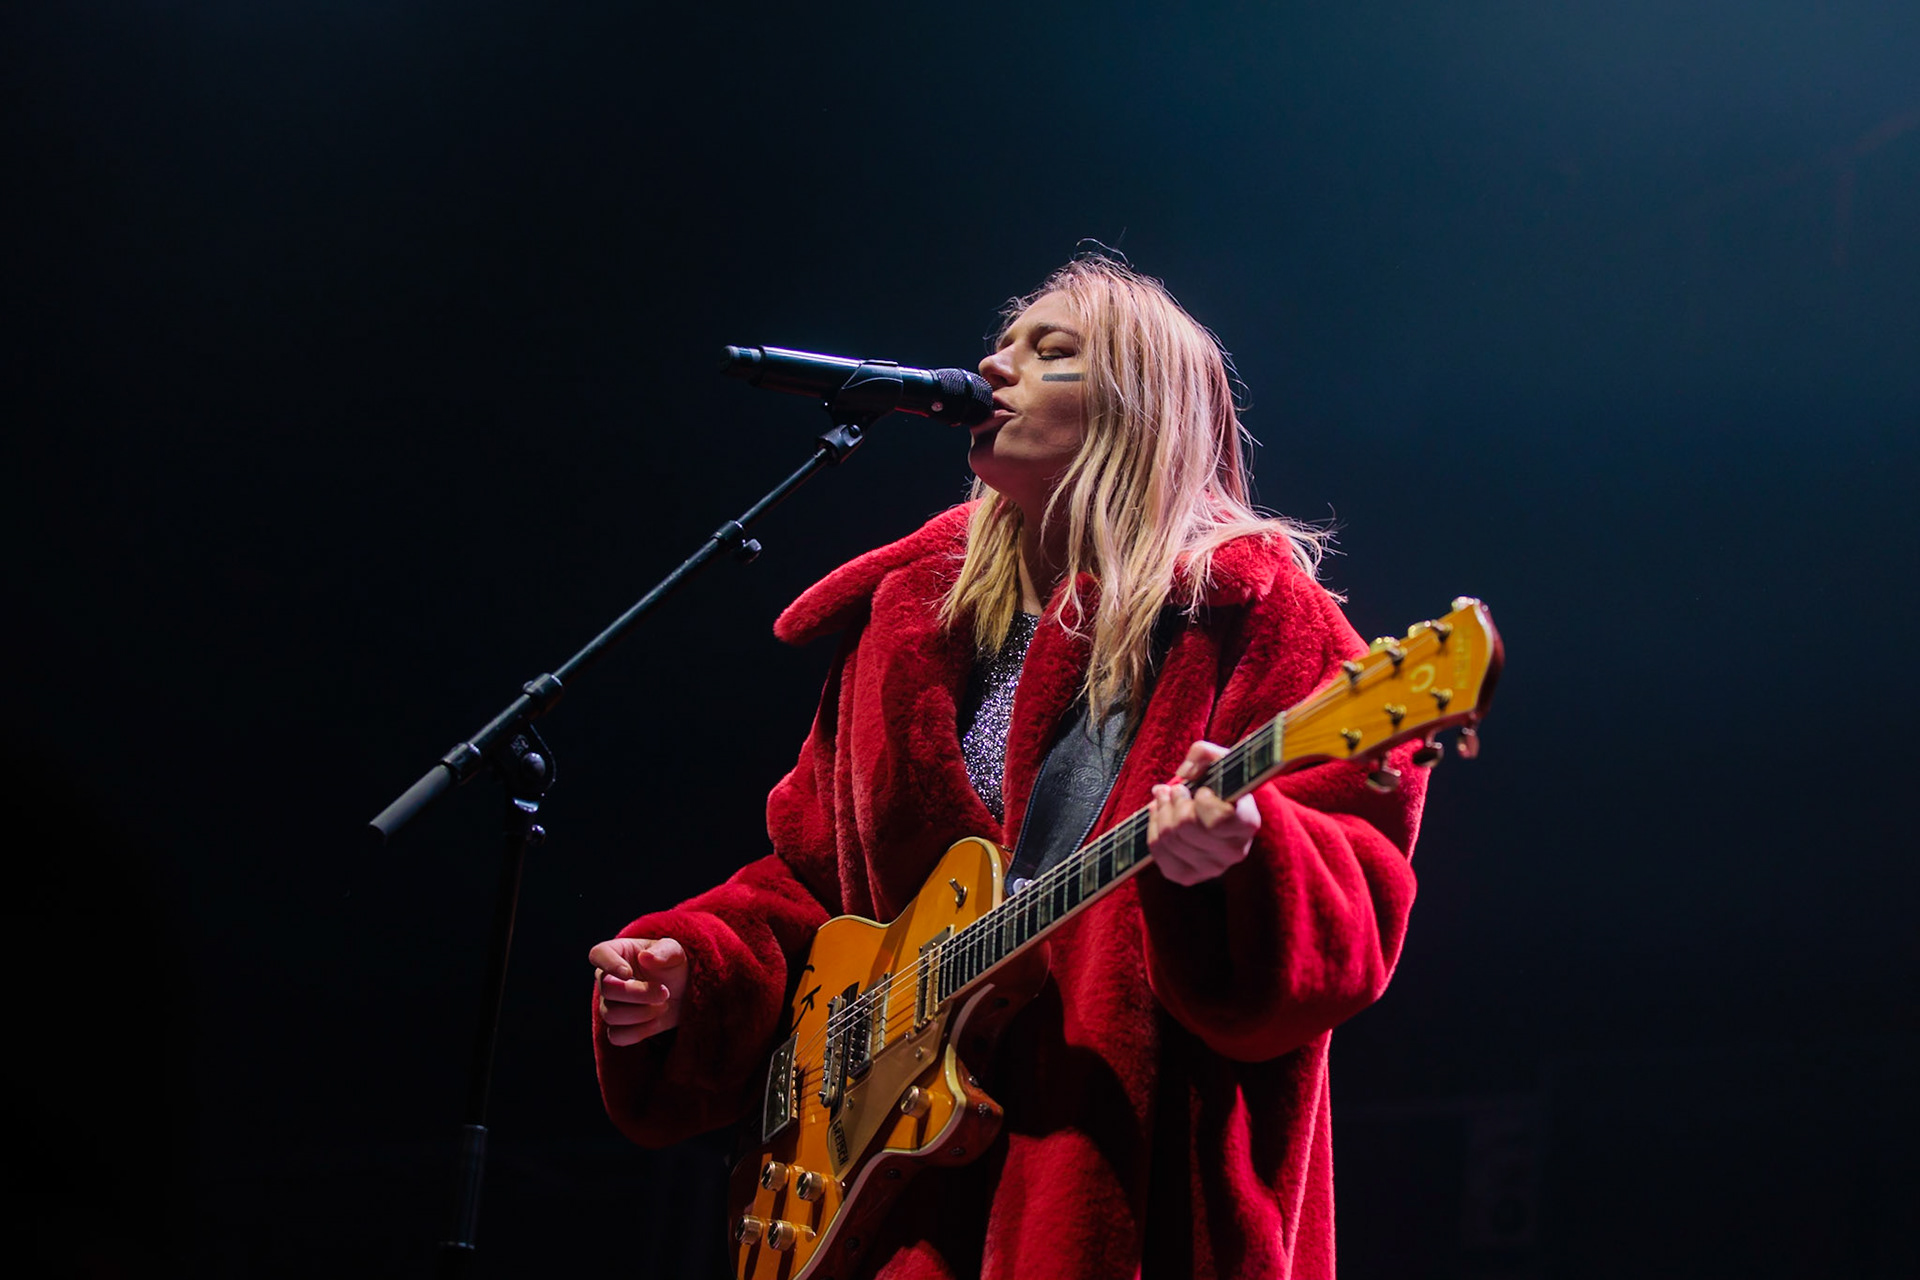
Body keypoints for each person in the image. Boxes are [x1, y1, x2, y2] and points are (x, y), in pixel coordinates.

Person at [588, 255, 1426, 1279]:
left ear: (1137, 404)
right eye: (1004, 343)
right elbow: (807, 883)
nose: (994, 364)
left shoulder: (1256, 621)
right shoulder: (907, 630)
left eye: (1051, 351)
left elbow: (1360, 892)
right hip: (898, 1204)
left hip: (1116, 1174)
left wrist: (1249, 859)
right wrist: (699, 967)